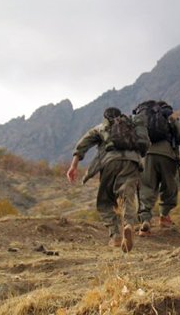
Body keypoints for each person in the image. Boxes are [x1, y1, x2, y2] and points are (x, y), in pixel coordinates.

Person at [66, 107, 147, 253]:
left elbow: (83, 144)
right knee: (127, 195)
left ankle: (115, 235)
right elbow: (145, 144)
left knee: (104, 202)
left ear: (105, 117)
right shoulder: (131, 126)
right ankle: (128, 224)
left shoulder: (101, 128)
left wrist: (73, 166)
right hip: (132, 162)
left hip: (110, 162)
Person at [136, 102, 180, 234]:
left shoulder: (143, 116)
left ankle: (145, 220)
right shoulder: (168, 114)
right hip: (167, 154)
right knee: (168, 186)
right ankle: (164, 216)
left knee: (146, 186)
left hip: (146, 154)